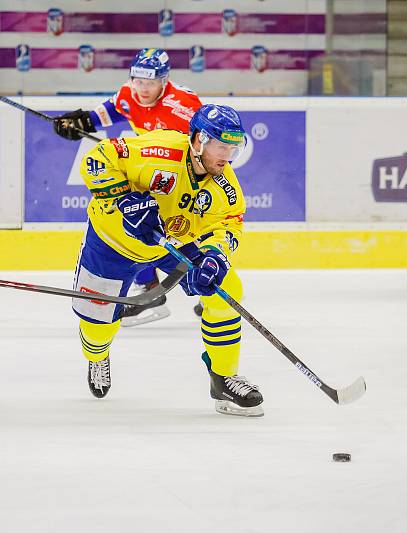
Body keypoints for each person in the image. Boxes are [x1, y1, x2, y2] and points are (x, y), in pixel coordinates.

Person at [71, 104, 263, 417]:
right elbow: (98, 157)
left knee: (226, 289)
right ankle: (97, 355)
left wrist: (215, 256)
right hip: (111, 242)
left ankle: (223, 377)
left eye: (233, 148)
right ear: (199, 140)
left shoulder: (226, 189)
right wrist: (123, 198)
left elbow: (228, 225)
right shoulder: (158, 151)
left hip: (169, 245)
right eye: (221, 146)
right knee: (97, 328)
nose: (227, 156)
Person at [54, 48, 203, 327]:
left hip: (180, 176)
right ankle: (149, 292)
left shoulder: (183, 104)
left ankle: (204, 290)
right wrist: (77, 122)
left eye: (150, 83)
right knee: (134, 225)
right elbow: (105, 114)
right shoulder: (127, 94)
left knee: (184, 233)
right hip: (146, 172)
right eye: (138, 81)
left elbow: (203, 147)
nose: (143, 89)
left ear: (164, 81)